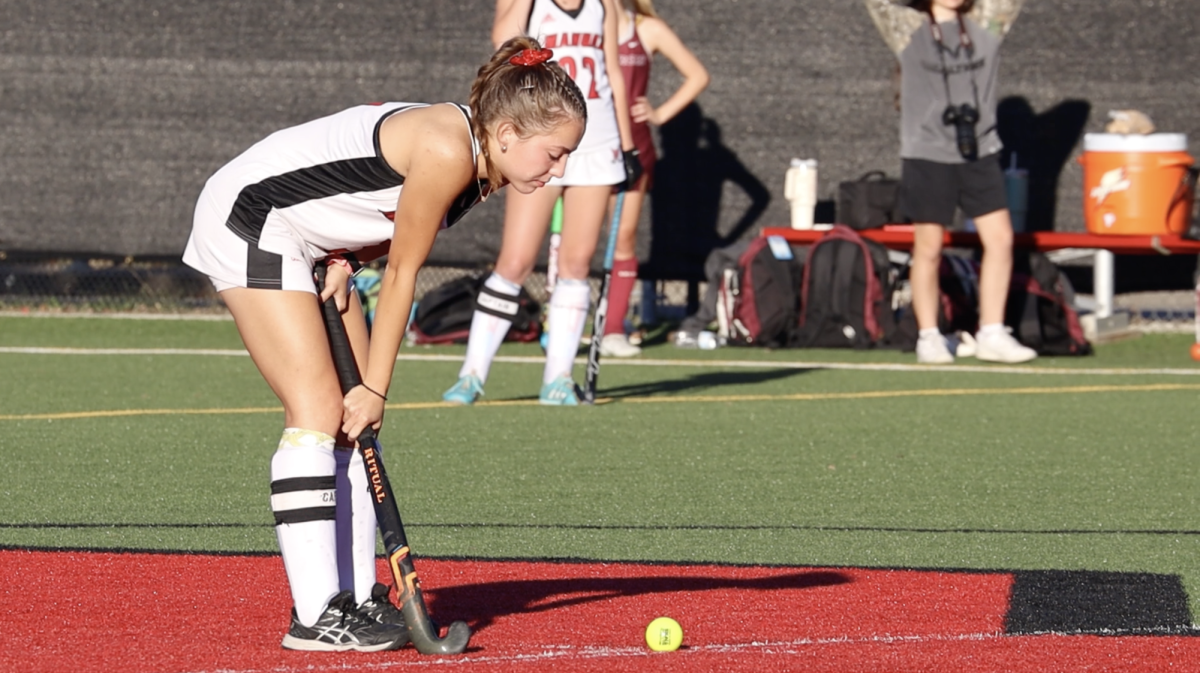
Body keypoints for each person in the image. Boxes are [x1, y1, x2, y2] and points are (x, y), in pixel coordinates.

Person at [181, 37, 586, 651]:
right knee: (320, 411)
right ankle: (317, 615)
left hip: (309, 237)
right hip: (254, 218)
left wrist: (345, 255)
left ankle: (359, 595)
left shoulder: (485, 165)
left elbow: (375, 210)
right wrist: (375, 385)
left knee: (353, 426)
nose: (559, 170)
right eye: (555, 154)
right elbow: (403, 272)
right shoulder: (451, 150)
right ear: (507, 133)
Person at [443, 0, 641, 406]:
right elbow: (503, 39)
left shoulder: (605, 5)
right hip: (539, 136)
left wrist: (627, 143)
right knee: (514, 262)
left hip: (596, 139)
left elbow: (613, 75)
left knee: (576, 264)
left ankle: (558, 379)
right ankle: (472, 374)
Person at [865, 0, 1037, 364]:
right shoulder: (906, 27)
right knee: (928, 248)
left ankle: (991, 330)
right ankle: (928, 335)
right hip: (927, 154)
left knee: (1001, 240)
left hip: (981, 150)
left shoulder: (987, 22)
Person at [597, 0, 710, 357]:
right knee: (580, 242)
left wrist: (659, 113)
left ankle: (614, 329)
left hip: (634, 148)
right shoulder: (586, 20)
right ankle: (575, 321)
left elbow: (698, 75)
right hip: (589, 144)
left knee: (624, 236)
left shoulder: (648, 28)